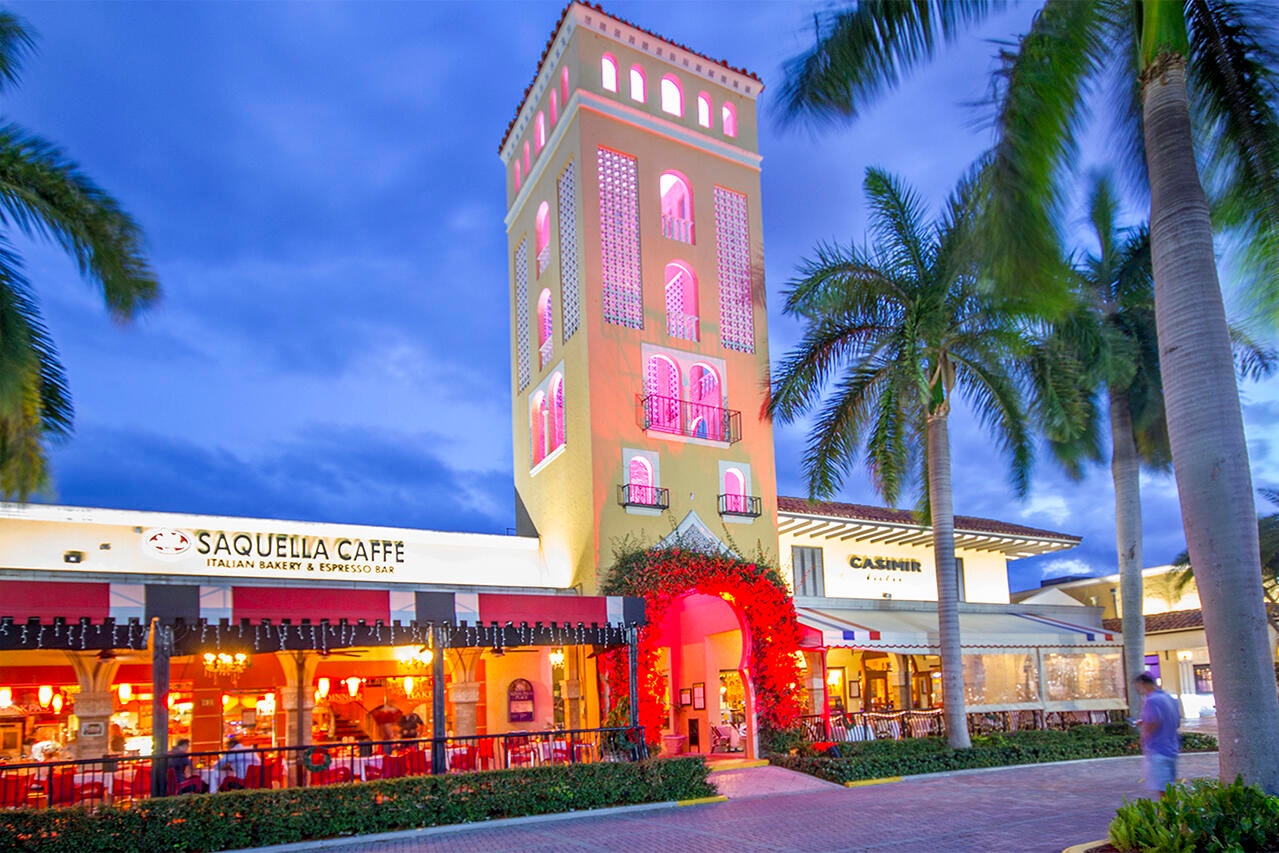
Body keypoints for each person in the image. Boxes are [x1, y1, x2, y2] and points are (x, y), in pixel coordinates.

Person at [1133, 672, 1180, 798]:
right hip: (1172, 747)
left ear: (1142, 683)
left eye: (1137, 687)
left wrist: (1143, 737)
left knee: (1163, 789)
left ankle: (1168, 810)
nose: (1137, 690)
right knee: (1169, 786)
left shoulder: (1151, 701)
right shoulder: (1168, 698)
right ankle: (1172, 809)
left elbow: (1153, 722)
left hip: (1158, 749)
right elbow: (1175, 721)